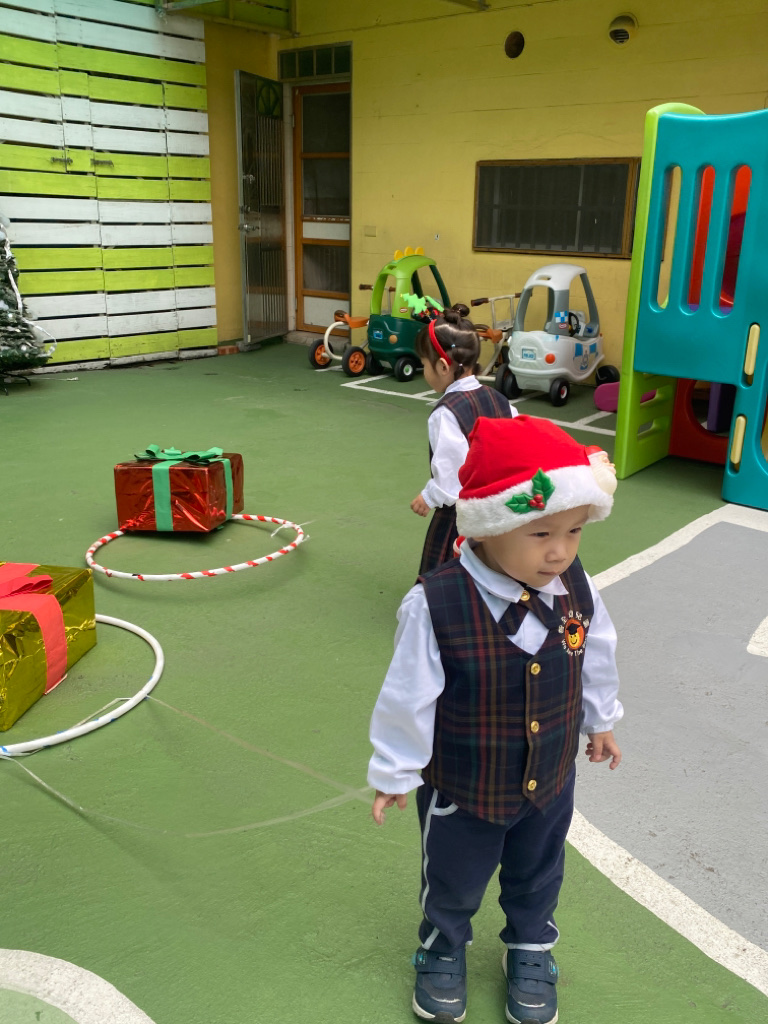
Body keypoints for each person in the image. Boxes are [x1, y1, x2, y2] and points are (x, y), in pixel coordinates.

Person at [369, 415, 623, 1024]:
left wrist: (601, 720)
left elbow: (596, 652)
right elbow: (408, 693)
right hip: (465, 788)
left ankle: (531, 946)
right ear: (489, 525)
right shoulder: (436, 602)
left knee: (539, 871)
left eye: (573, 531)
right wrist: (397, 768)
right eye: (540, 532)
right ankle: (443, 945)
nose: (560, 550)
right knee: (453, 876)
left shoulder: (575, 587)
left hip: (551, 780)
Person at [411, 304, 517, 575]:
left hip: (462, 516)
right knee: (495, 569)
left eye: (424, 364)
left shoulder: (446, 412)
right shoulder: (501, 401)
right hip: (500, 506)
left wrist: (428, 496)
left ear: (442, 366)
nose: (424, 371)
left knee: (448, 574)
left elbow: (453, 476)